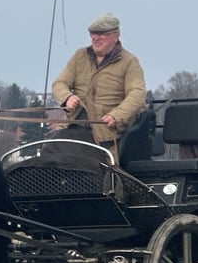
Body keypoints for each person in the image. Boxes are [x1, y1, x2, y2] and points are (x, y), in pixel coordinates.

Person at [51, 13, 146, 161]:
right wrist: (67, 97)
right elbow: (59, 83)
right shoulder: (79, 57)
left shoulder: (129, 62)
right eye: (93, 34)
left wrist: (116, 116)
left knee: (80, 157)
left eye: (102, 34)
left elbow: (137, 93)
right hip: (74, 127)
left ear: (116, 36)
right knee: (50, 149)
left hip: (106, 132)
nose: (96, 38)